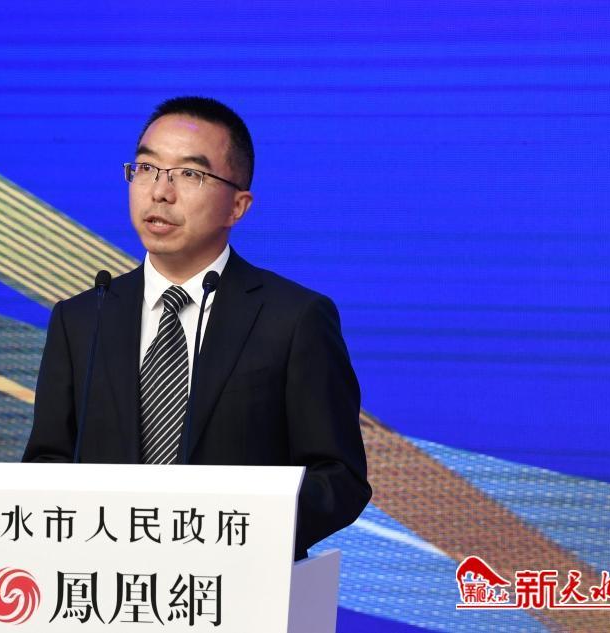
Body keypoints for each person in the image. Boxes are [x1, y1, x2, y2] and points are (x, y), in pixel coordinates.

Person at [23, 96, 371, 559]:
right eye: (146, 168)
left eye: (189, 174)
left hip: (238, 581)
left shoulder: (294, 319)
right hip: (108, 580)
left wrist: (234, 529)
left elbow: (338, 477)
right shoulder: (83, 318)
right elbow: (46, 462)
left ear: (237, 206)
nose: (160, 192)